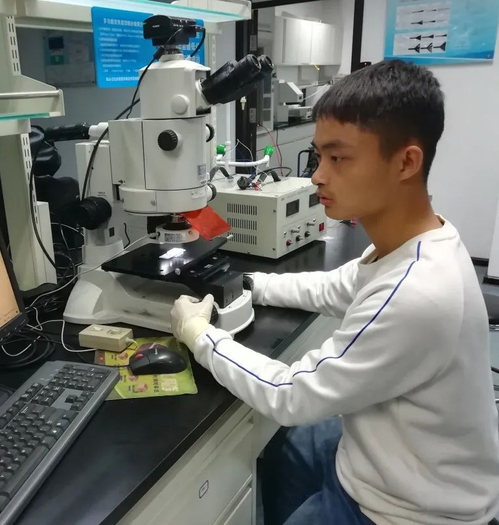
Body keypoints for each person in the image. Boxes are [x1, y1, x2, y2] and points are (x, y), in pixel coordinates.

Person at [170, 60, 499, 525]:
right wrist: (250, 283)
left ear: (406, 162)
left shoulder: (417, 293)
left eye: (338, 158)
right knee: (282, 446)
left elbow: (291, 395)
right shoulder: (422, 241)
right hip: (394, 453)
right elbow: (335, 286)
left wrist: (201, 336)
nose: (317, 176)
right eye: (318, 156)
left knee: (284, 425)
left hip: (407, 509)